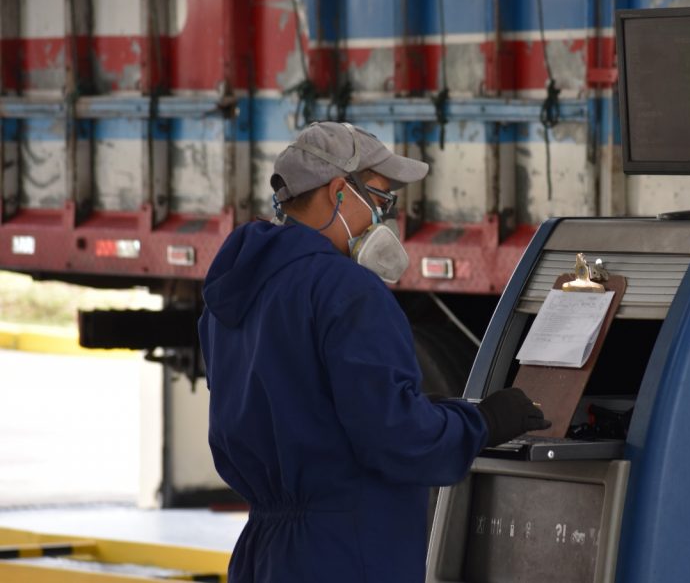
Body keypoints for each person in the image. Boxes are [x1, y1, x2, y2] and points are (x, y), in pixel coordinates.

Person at [199, 121, 549, 582]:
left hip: (264, 553)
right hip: (346, 553)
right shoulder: (346, 289)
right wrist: (483, 422)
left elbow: (303, 406)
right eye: (381, 199)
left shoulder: (233, 292)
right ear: (339, 191)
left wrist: (425, 409)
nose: (383, 218)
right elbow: (398, 439)